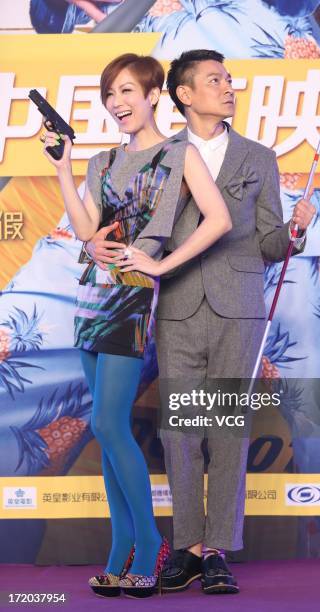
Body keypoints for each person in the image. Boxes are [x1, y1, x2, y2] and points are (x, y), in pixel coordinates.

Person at [84, 49, 315, 595]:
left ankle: (216, 550)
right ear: (183, 94)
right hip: (177, 305)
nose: (228, 88)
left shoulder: (258, 157)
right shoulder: (163, 153)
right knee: (179, 432)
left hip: (238, 306)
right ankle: (184, 548)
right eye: (216, 80)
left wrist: (296, 233)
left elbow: (267, 242)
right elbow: (119, 223)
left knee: (228, 430)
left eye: (229, 80)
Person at [41, 52, 231, 598]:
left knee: (108, 420)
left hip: (130, 297)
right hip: (90, 294)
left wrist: (161, 265)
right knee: (103, 427)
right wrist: (63, 166)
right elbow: (85, 228)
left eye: (127, 91)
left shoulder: (179, 153)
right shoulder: (101, 161)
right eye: (110, 95)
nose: (117, 103)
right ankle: (119, 549)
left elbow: (219, 219)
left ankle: (147, 545)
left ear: (153, 95)